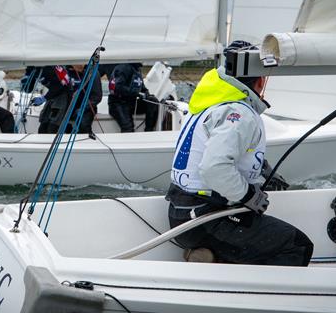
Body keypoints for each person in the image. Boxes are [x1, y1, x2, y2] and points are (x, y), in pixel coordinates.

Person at [166, 42, 310, 266]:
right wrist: (247, 196)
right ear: (260, 81)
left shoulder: (212, 100)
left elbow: (216, 149)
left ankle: (212, 257)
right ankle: (237, 283)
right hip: (207, 219)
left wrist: (261, 167)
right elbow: (214, 167)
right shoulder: (239, 112)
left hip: (183, 214)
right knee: (297, 245)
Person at [35, 64, 102, 135]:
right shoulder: (62, 70)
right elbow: (55, 87)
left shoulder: (92, 73)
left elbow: (96, 96)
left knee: (83, 126)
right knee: (45, 126)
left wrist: (83, 108)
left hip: (84, 106)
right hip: (63, 105)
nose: (80, 64)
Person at [106, 63, 159, 132]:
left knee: (153, 101)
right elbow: (117, 87)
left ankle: (149, 131)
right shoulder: (123, 68)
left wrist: (146, 94)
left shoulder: (137, 69)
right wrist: (136, 93)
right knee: (128, 127)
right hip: (118, 103)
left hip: (131, 102)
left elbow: (142, 88)